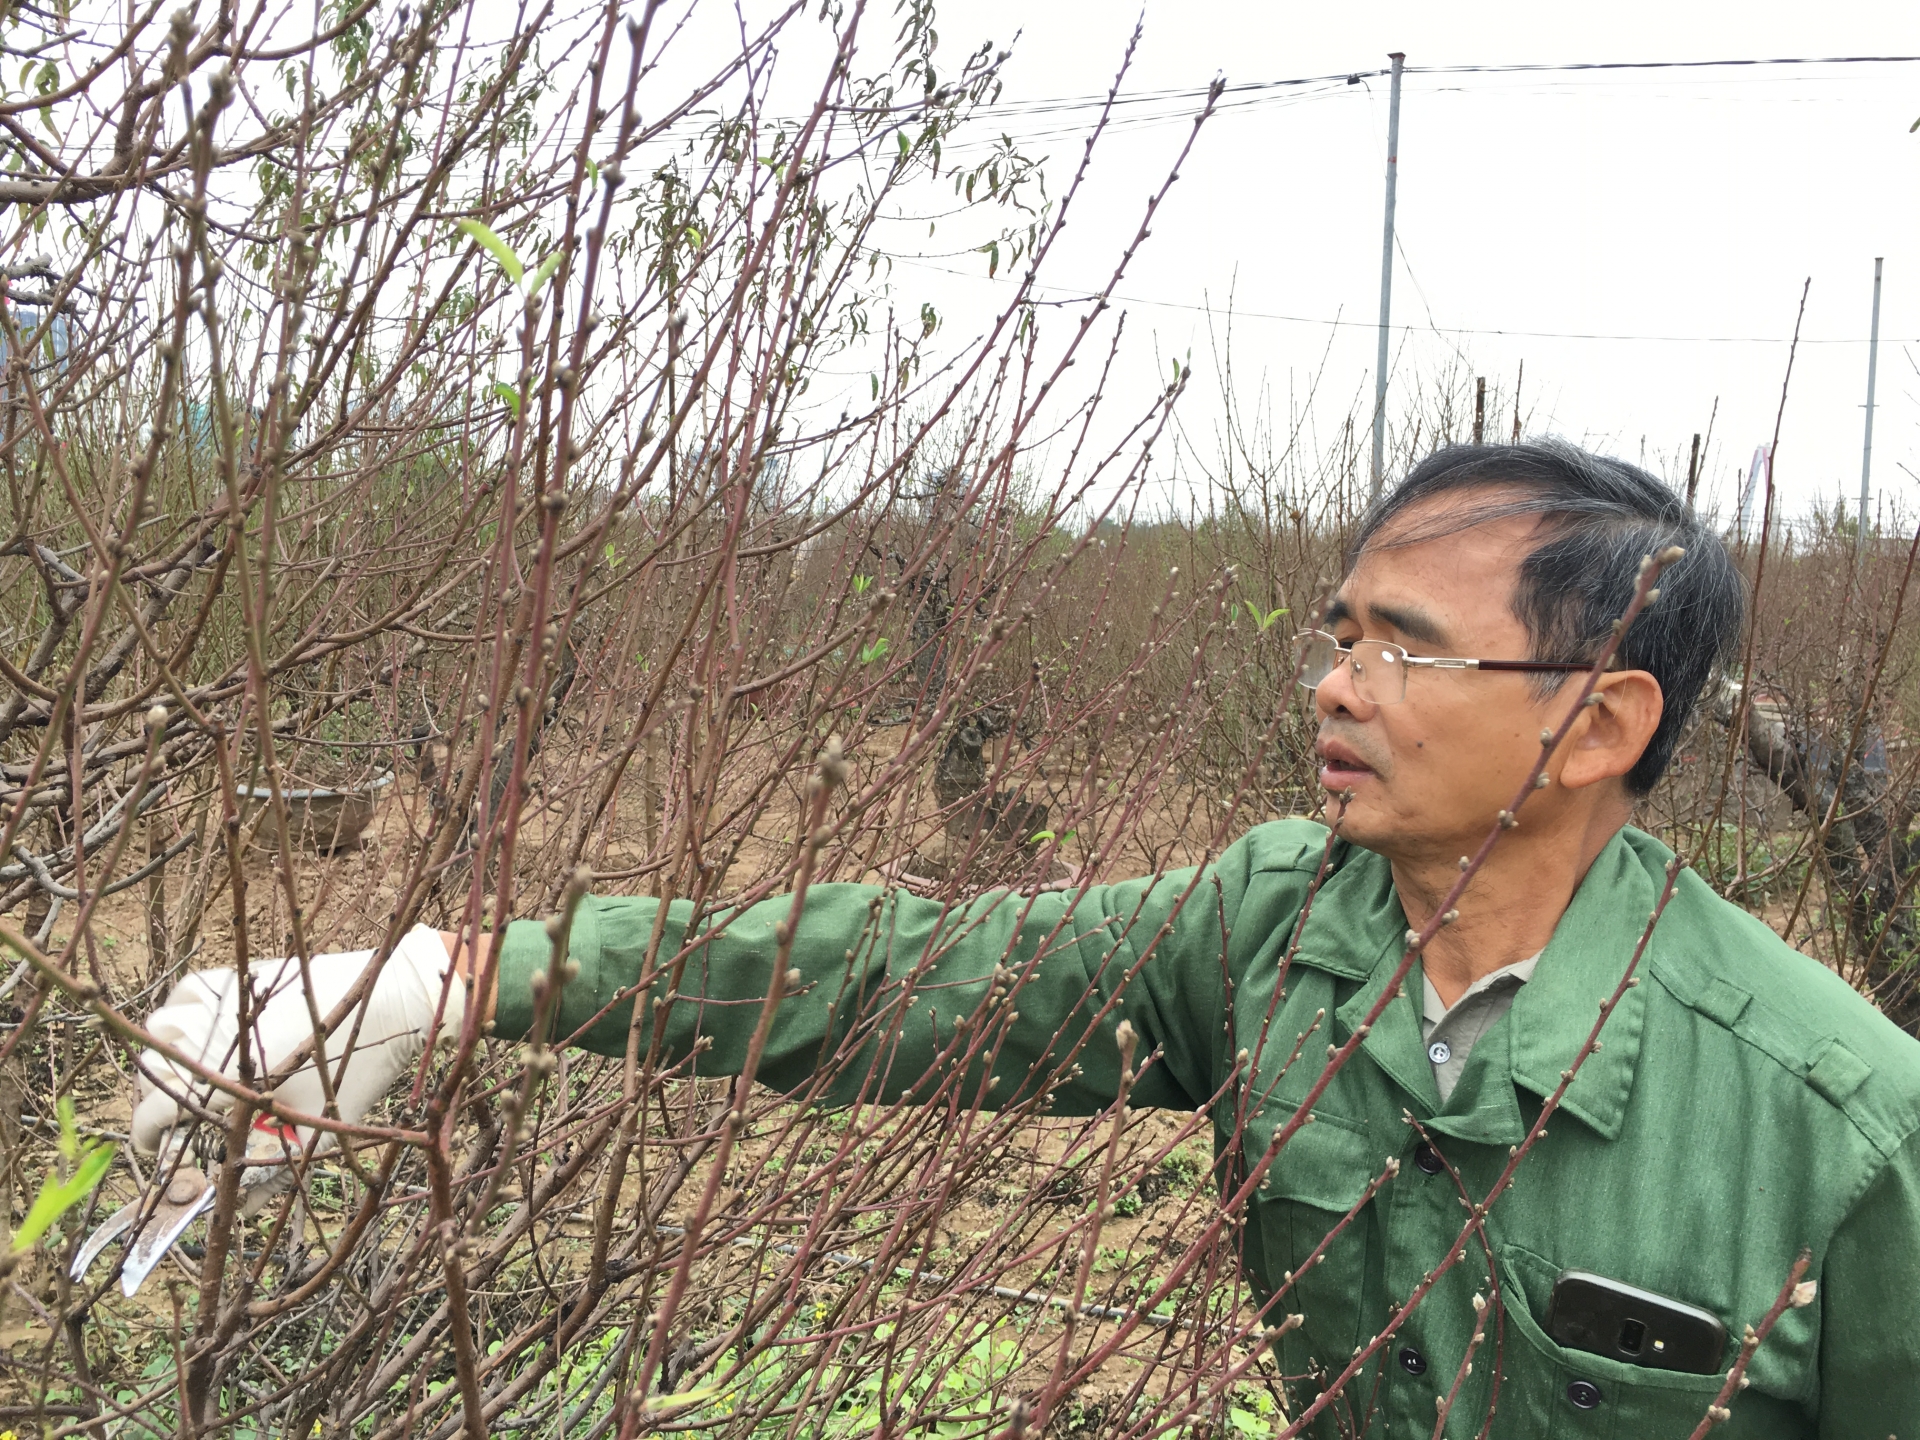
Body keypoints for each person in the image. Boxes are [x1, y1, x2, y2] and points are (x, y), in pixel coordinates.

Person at [131, 441, 1920, 1436]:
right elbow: (905, 977)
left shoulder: (1840, 1135)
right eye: (1336, 633)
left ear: (1597, 726)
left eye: (1402, 648)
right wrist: (456, 978)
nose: (1334, 685)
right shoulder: (1267, 931)